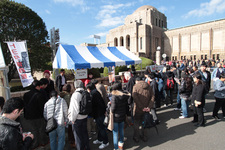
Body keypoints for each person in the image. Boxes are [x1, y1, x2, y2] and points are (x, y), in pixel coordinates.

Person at [23, 80, 49, 149]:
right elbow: (42, 107)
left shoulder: (26, 94)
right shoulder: (39, 95)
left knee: (33, 130)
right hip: (38, 116)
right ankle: (41, 142)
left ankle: (35, 143)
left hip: (29, 116)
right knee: (40, 129)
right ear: (37, 86)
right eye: (40, 86)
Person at [68, 80, 90, 150]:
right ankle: (87, 147)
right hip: (85, 116)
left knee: (78, 137)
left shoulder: (75, 95)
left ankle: (80, 148)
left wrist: (72, 119)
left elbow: (74, 109)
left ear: (75, 86)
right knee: (85, 134)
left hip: (77, 119)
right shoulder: (85, 92)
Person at [86, 82, 109, 149]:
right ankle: (100, 139)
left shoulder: (93, 94)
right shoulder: (96, 92)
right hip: (99, 112)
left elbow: (94, 105)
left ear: (89, 88)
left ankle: (105, 142)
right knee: (99, 127)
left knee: (101, 128)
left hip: (98, 113)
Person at [132, 77, 154, 142]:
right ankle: (144, 136)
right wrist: (149, 107)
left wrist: (141, 107)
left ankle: (136, 137)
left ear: (137, 81)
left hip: (138, 109)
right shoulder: (149, 86)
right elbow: (152, 97)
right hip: (147, 108)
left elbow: (135, 98)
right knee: (144, 122)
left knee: (136, 123)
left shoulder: (135, 87)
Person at [111, 81, 130, 150]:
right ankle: (121, 143)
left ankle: (116, 148)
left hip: (116, 116)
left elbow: (113, 109)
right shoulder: (124, 95)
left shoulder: (114, 96)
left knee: (115, 133)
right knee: (121, 130)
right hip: (122, 115)